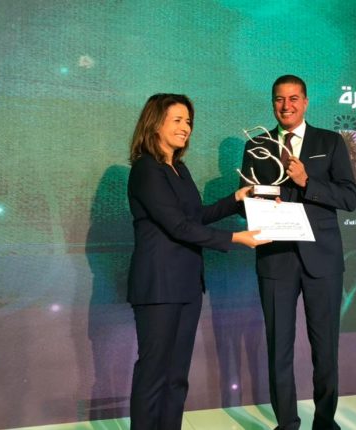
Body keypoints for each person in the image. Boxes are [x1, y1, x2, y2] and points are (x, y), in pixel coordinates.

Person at [127, 93, 269, 430]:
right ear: (155, 123)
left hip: (188, 285)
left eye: (188, 121)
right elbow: (177, 226)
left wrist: (235, 200)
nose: (185, 127)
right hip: (159, 287)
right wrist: (235, 239)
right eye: (177, 120)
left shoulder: (179, 168)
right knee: (154, 373)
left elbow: (195, 217)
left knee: (177, 376)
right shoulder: (146, 169)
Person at [240, 75, 356, 430]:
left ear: (305, 102)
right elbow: (244, 201)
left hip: (322, 260)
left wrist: (308, 182)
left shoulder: (330, 142)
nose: (286, 105)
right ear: (272, 103)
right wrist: (257, 202)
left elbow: (350, 197)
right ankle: (287, 424)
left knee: (325, 349)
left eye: (293, 98)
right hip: (275, 260)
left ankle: (324, 422)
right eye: (279, 99)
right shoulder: (256, 146)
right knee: (279, 348)